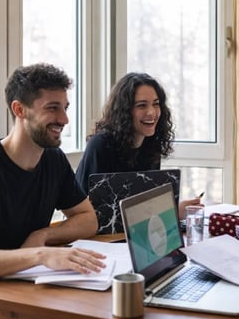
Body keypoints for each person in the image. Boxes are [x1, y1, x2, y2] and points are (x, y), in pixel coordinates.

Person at [0, 63, 106, 281]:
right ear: (19, 110)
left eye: (65, 107)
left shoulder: (53, 159)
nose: (64, 119)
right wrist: (39, 255)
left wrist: (43, 235)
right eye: (52, 108)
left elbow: (88, 219)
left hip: (26, 286)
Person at [76, 72, 202, 221]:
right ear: (124, 111)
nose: (151, 112)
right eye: (142, 105)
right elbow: (95, 212)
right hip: (96, 237)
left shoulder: (151, 143)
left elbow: (145, 205)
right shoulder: (100, 145)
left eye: (156, 104)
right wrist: (172, 211)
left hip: (133, 233)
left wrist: (171, 209)